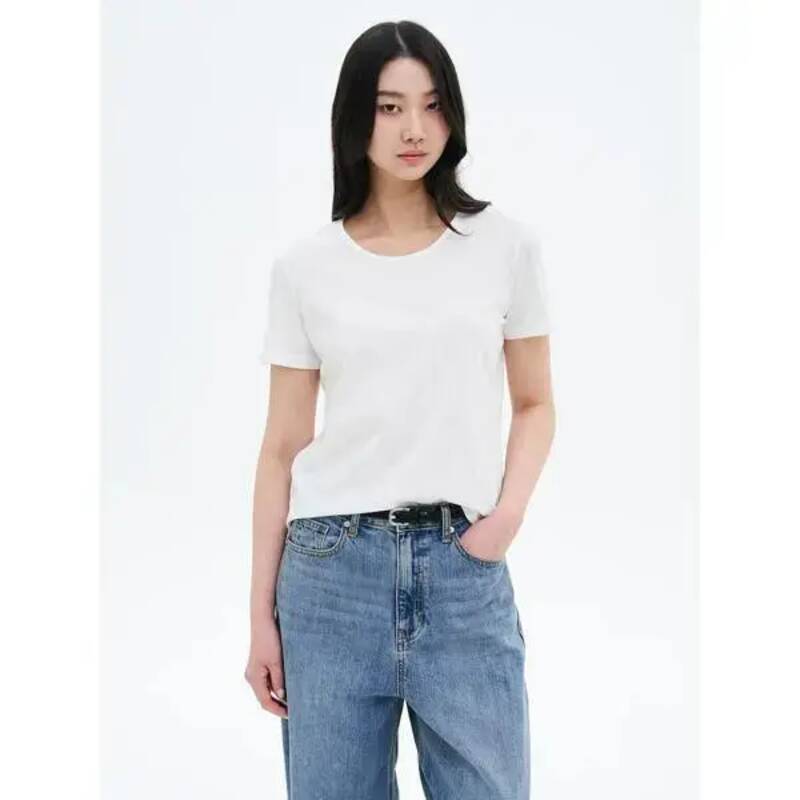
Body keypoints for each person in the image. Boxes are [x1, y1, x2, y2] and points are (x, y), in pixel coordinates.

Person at [245, 19, 556, 800]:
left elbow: (534, 402)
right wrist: (259, 619)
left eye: (432, 104)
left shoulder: (504, 247)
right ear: (356, 117)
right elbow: (282, 447)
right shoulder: (306, 267)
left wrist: (505, 520)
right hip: (329, 576)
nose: (414, 128)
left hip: (463, 571)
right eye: (389, 107)